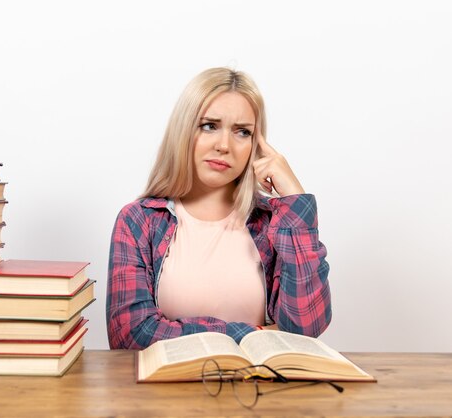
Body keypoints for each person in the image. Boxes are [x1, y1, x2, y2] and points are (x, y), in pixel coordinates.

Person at [106, 67, 331, 350]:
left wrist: (295, 199)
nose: (224, 145)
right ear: (183, 131)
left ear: (256, 144)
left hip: (261, 391)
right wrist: (256, 333)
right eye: (209, 125)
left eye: (242, 132)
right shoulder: (139, 220)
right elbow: (131, 335)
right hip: (166, 392)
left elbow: (305, 329)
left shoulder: (274, 222)